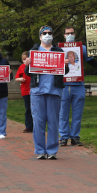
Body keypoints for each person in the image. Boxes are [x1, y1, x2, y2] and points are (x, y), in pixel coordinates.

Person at [25, 25, 69, 160]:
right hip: (38, 90)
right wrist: (27, 64)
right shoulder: (33, 51)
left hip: (54, 90)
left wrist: (66, 66)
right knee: (38, 122)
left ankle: (51, 151)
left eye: (50, 33)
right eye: (44, 33)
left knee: (53, 121)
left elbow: (64, 72)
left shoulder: (59, 51)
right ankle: (40, 150)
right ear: (40, 36)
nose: (47, 35)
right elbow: (28, 73)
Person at [59, 27, 97, 147]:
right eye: (67, 33)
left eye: (72, 33)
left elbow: (92, 62)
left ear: (75, 34)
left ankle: (75, 137)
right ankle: (63, 137)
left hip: (78, 86)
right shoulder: (58, 48)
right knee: (62, 113)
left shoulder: (83, 48)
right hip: (63, 86)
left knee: (77, 114)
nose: (70, 35)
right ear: (64, 35)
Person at [15, 51, 32, 133]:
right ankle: (28, 126)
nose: (25, 61)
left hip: (34, 89)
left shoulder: (33, 67)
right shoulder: (21, 67)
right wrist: (20, 79)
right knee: (28, 108)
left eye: (26, 59)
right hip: (25, 90)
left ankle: (36, 126)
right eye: (23, 59)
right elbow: (16, 77)